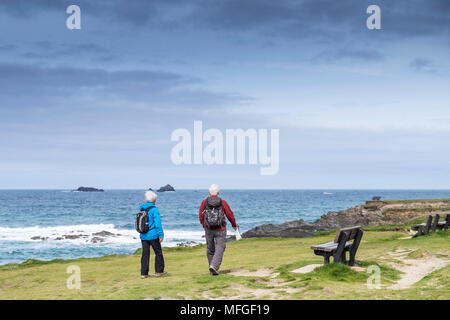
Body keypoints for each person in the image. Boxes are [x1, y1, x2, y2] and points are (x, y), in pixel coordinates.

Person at [199, 184, 238, 275]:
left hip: (208, 228)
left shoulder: (204, 202)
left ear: (209, 192)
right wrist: (234, 225)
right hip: (221, 228)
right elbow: (230, 214)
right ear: (218, 192)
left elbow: (201, 215)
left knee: (210, 249)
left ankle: (212, 267)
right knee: (220, 247)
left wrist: (204, 225)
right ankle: (214, 266)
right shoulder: (222, 202)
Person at [139, 190, 166, 278]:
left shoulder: (142, 209)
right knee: (158, 252)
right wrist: (161, 235)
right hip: (153, 235)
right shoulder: (154, 210)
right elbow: (158, 224)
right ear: (154, 200)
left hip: (143, 235)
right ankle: (159, 271)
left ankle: (144, 273)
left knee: (145, 254)